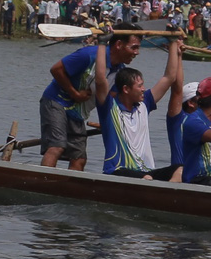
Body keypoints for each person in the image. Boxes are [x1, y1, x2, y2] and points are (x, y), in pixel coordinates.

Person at [40, 28, 142, 170]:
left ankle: (68, 190)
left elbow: (111, 100)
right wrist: (74, 93)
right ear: (118, 44)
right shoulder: (88, 55)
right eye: (134, 47)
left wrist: (110, 122)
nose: (137, 53)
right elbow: (56, 69)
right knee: (56, 147)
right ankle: (43, 182)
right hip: (56, 102)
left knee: (79, 158)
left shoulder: (120, 71)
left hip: (77, 112)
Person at [96, 37, 185, 179]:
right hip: (117, 171)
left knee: (180, 170)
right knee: (147, 178)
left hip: (146, 171)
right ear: (125, 89)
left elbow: (169, 77)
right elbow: (100, 79)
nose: (144, 89)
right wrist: (101, 43)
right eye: (139, 86)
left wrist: (173, 42)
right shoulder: (109, 108)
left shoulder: (144, 104)